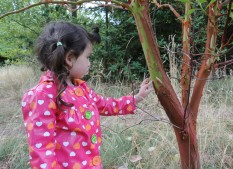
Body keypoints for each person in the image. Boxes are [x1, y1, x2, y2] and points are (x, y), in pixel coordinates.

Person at [21, 21, 152, 169]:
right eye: (88, 57)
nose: (89, 63)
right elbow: (42, 149)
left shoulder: (81, 88)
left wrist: (137, 97)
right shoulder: (43, 95)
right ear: (70, 58)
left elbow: (106, 105)